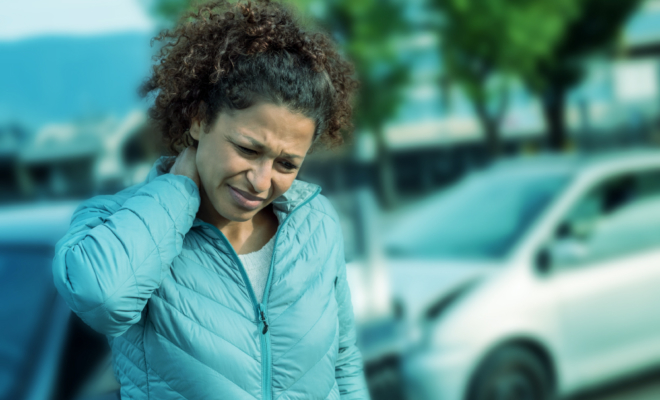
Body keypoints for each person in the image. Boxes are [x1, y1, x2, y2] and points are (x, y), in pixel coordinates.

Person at [52, 1, 369, 399]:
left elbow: (343, 361)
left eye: (286, 164)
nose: (260, 181)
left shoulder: (315, 221)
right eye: (248, 149)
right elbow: (102, 300)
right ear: (199, 119)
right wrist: (177, 190)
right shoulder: (114, 222)